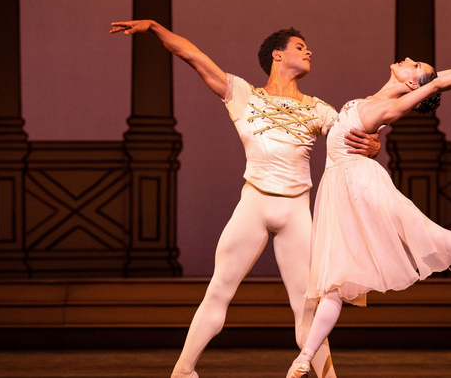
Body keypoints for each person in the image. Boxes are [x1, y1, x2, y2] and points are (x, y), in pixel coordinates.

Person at [111, 20, 380, 378]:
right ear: (278, 54)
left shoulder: (320, 110)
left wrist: (372, 146)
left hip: (297, 213)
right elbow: (192, 55)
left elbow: (356, 136)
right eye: (300, 47)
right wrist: (155, 28)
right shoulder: (243, 94)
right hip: (253, 207)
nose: (309, 51)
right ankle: (182, 372)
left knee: (307, 312)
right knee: (218, 292)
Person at [286, 44, 451, 378]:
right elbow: (436, 80)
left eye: (415, 65)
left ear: (414, 85)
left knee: (426, 235)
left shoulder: (389, 107)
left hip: (358, 183)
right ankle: (303, 358)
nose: (408, 60)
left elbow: (438, 83)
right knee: (336, 283)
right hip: (341, 189)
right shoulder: (373, 100)